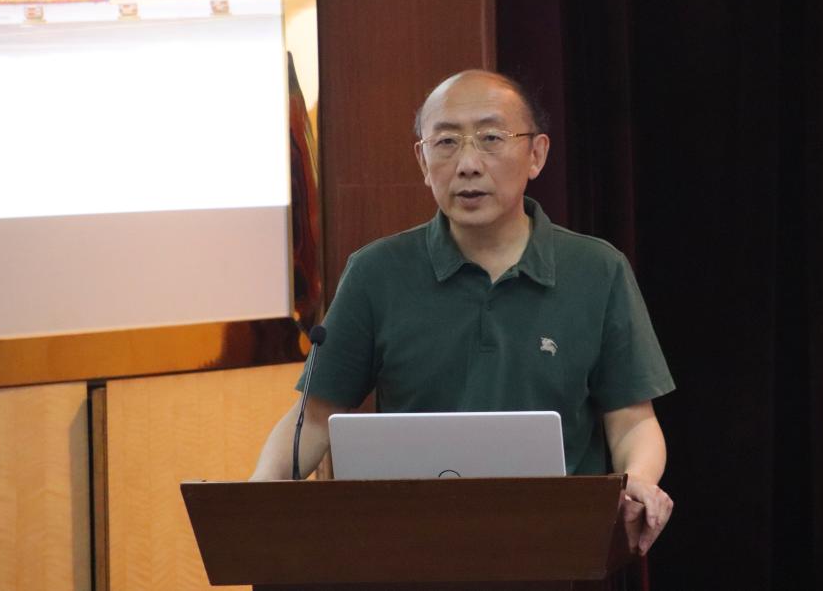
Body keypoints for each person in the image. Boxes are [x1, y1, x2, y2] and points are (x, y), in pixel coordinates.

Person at [251, 69, 675, 554]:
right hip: (409, 551)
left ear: (536, 154)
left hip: (558, 551)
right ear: (422, 159)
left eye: (491, 138)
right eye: (447, 142)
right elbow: (316, 418)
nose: (468, 164)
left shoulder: (597, 270)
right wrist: (254, 494)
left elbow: (632, 420)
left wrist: (639, 479)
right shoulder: (377, 272)